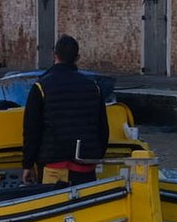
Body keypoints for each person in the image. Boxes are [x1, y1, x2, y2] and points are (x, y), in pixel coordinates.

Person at [21, 35, 110, 186]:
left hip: (54, 167)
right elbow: (103, 129)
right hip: (86, 167)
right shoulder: (94, 87)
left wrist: (27, 165)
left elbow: (32, 131)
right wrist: (95, 156)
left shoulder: (41, 87)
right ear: (77, 58)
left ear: (54, 55)